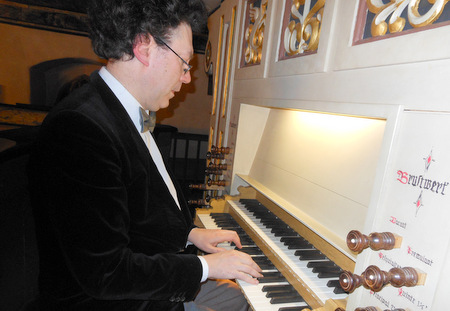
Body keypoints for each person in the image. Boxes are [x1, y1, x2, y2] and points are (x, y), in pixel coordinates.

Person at [27, 0, 263, 310]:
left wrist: (190, 235)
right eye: (185, 63)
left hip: (148, 278)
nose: (187, 78)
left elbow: (137, 215)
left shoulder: (122, 111)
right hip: (108, 301)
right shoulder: (80, 127)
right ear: (144, 47)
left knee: (240, 296)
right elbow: (106, 273)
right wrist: (209, 267)